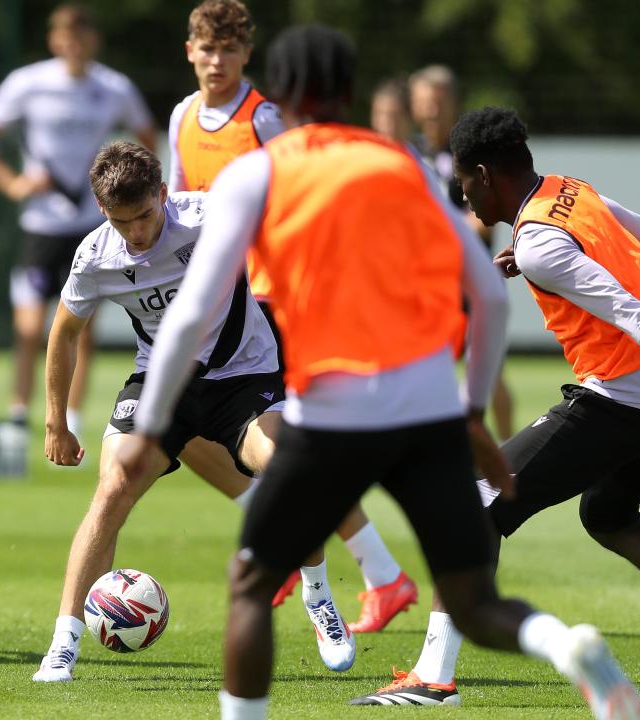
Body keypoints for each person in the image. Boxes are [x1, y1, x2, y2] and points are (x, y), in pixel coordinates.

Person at [119, 26, 640, 720]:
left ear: (283, 97)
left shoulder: (258, 172)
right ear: (347, 90)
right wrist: (473, 412)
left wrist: (152, 422)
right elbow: (484, 295)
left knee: (252, 582)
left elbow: (192, 310)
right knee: (548, 543)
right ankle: (553, 644)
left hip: (332, 404)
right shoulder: (407, 166)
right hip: (424, 398)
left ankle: (424, 677)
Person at [352, 107, 640, 710]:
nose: (466, 201)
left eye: (464, 186)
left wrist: (535, 255)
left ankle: (434, 679)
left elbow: (629, 312)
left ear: (484, 175)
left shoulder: (540, 243)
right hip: (630, 392)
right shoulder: (568, 190)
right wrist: (531, 253)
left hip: (623, 396)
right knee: (608, 513)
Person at [33, 140, 356, 683]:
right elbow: (64, 332)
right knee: (112, 488)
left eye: (144, 216)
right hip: (162, 382)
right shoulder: (95, 255)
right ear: (101, 211)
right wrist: (55, 420)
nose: (136, 233)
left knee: (285, 471)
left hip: (243, 374)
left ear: (164, 194)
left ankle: (319, 595)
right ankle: (62, 646)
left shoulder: (209, 216)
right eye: (121, 222)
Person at [170, 0, 416, 632]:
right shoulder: (181, 118)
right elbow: (178, 206)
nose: (217, 59)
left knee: (294, 446)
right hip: (216, 310)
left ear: (247, 54)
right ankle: (293, 545)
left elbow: (312, 193)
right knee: (189, 428)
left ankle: (376, 572)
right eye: (207, 47)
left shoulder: (265, 119)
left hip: (273, 307)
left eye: (229, 49)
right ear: (190, 50)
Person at [0, 4, 157, 446]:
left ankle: (74, 419)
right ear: (53, 41)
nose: (74, 46)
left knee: (80, 328)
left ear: (94, 41)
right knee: (30, 327)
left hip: (93, 224)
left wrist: (117, 175)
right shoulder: (28, 84)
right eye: (65, 38)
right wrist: (11, 182)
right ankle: (17, 415)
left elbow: (148, 138)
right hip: (40, 225)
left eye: (82, 37)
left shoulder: (113, 87)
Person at [410, 64, 515, 439]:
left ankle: (508, 450)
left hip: (477, 274)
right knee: (424, 368)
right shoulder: (410, 152)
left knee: (489, 371)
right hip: (432, 282)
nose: (432, 111)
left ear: (453, 102)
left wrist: (442, 228)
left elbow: (485, 217)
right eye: (424, 103)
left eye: (438, 102)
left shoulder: (470, 152)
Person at [370, 76, 412, 142]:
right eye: (379, 114)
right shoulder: (359, 149)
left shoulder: (419, 151)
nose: (384, 122)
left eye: (392, 115)